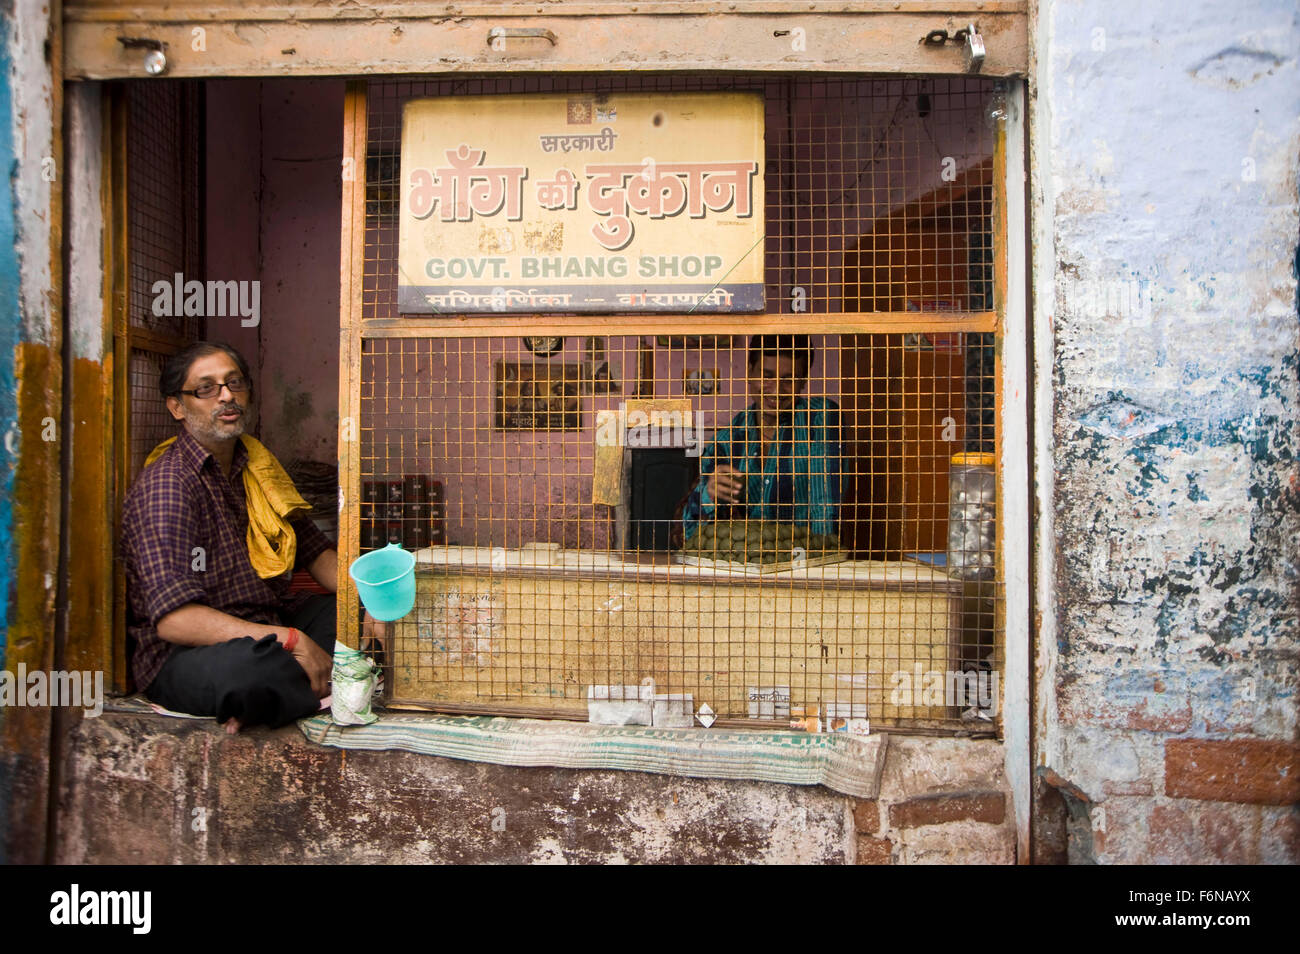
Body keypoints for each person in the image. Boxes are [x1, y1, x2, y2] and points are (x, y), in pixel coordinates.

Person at [122, 341, 342, 733]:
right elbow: (175, 621)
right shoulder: (168, 487)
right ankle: (297, 685)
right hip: (187, 653)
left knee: (353, 619)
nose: (226, 396)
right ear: (177, 407)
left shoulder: (257, 467)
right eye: (205, 388)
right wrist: (289, 640)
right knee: (253, 670)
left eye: (233, 383)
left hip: (264, 625)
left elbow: (316, 553)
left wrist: (369, 601)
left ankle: (286, 693)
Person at [679, 334, 841, 545]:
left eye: (789, 379)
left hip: (802, 564)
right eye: (767, 376)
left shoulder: (820, 419)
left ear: (803, 381)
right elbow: (689, 531)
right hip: (746, 566)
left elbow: (824, 506)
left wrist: (821, 559)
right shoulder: (727, 441)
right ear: (749, 373)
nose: (776, 389)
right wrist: (709, 494)